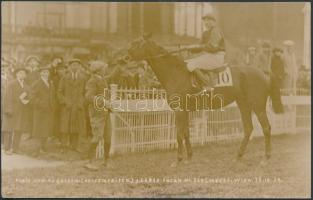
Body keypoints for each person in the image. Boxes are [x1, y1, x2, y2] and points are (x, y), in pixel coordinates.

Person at [84, 61, 112, 170]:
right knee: (97, 136)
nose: (106, 70)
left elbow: (106, 96)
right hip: (97, 114)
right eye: (104, 68)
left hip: (106, 112)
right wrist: (104, 102)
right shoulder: (92, 81)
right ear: (99, 70)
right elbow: (89, 96)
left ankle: (106, 161)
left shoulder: (103, 80)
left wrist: (109, 104)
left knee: (108, 137)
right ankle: (89, 162)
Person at [185, 13, 226, 85]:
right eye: (205, 21)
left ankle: (207, 84)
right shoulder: (205, 33)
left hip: (217, 57)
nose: (206, 23)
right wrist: (190, 48)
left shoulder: (216, 31)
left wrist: (196, 47)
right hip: (209, 56)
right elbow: (199, 46)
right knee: (187, 61)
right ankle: (196, 83)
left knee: (191, 64)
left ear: (214, 22)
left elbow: (213, 47)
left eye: (209, 20)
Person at [57, 58, 87, 153]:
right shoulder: (65, 78)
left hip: (78, 106)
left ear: (79, 67)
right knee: (65, 127)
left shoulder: (83, 78)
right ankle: (64, 146)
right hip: (67, 106)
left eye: (77, 65)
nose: (74, 67)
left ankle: (74, 146)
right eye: (73, 65)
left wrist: (82, 102)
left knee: (76, 127)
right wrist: (65, 101)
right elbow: (59, 92)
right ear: (69, 67)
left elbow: (86, 92)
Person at [2, 67, 31, 155]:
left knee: (19, 129)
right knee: (8, 129)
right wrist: (8, 109)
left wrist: (27, 100)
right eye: (20, 73)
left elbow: (29, 97)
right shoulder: (11, 84)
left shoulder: (26, 86)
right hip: (11, 110)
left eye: (24, 73)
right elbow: (7, 97)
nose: (22, 75)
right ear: (17, 74)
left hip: (21, 110)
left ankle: (15, 148)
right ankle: (7, 148)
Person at [31, 66, 56, 156]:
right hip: (40, 110)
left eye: (47, 72)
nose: (45, 74)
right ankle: (38, 148)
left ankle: (43, 147)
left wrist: (52, 105)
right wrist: (41, 104)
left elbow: (53, 96)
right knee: (39, 129)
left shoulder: (50, 83)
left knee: (46, 128)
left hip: (49, 109)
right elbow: (32, 97)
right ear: (40, 73)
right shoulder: (37, 83)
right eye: (44, 72)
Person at [24, 55, 41, 140]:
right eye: (31, 61)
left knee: (37, 115)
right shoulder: (26, 72)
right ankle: (30, 133)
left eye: (34, 61)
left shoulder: (39, 72)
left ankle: (36, 133)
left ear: (37, 63)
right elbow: (24, 83)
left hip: (37, 96)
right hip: (28, 95)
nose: (32, 63)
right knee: (29, 115)